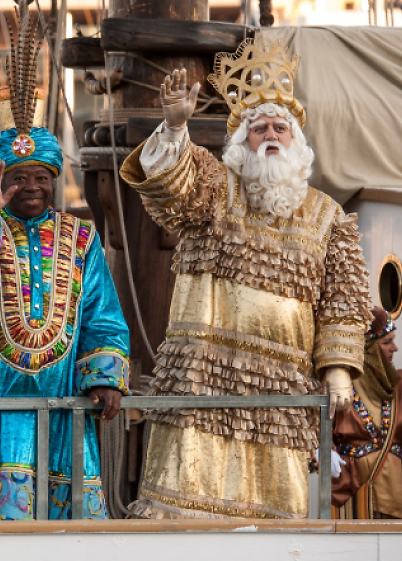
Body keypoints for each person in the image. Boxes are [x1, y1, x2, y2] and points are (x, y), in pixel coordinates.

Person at [119, 38, 372, 519]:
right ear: (240, 141)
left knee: (277, 522)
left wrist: (338, 369)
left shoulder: (328, 216)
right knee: (184, 514)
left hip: (281, 394)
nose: (271, 135)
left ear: (297, 143)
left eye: (281, 128)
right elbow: (175, 187)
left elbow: (344, 300)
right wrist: (175, 129)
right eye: (259, 129)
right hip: (201, 386)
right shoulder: (215, 190)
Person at [0, 8, 130, 519]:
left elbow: (103, 313)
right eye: (18, 177)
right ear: (0, 179)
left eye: (42, 176)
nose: (32, 186)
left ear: (56, 179)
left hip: (62, 396)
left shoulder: (79, 235)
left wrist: (105, 375)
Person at [332, 307, 402, 519]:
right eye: (387, 342)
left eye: (394, 340)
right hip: (352, 493)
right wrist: (323, 451)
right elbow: (316, 433)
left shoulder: (399, 385)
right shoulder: (339, 387)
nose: (395, 348)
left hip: (396, 495)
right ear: (368, 347)